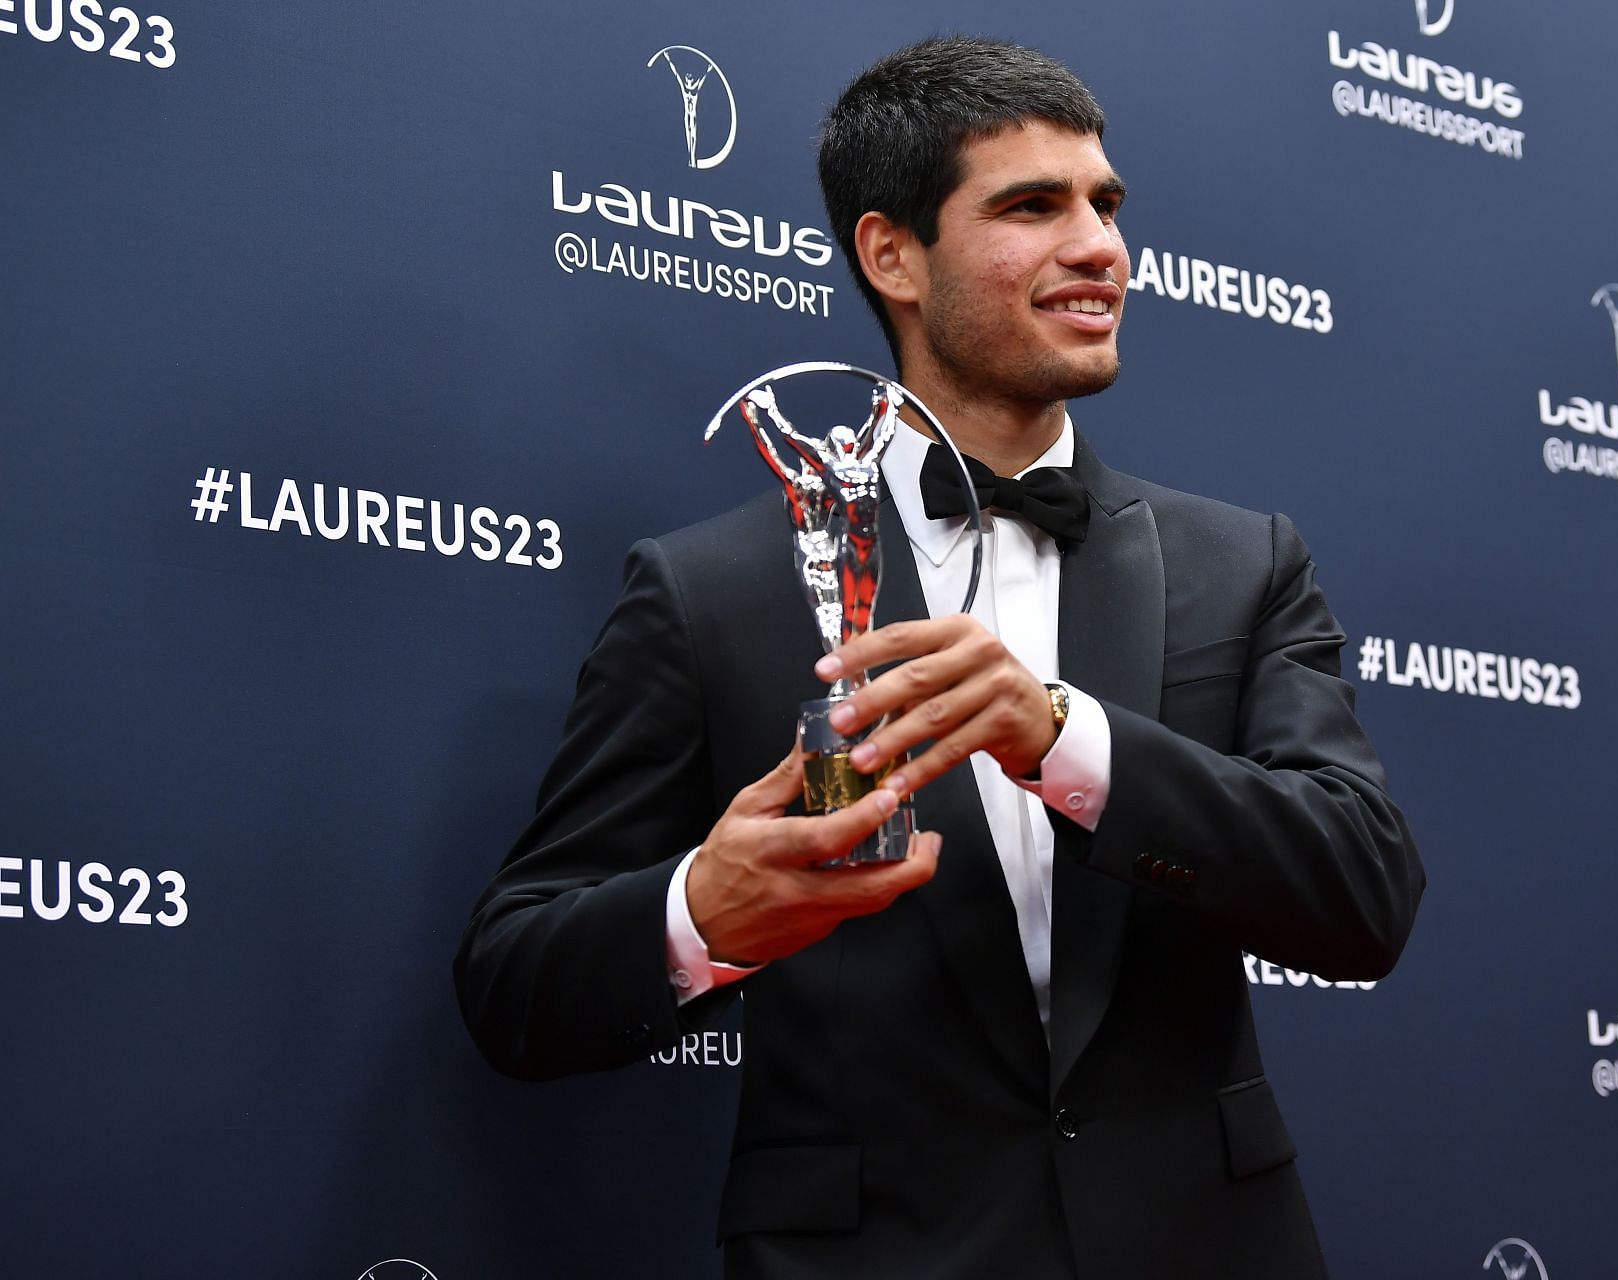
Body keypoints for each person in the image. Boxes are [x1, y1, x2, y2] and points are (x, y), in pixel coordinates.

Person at [455, 35, 1423, 1280]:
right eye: (1032, 205)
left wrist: (1063, 737)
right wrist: (704, 913)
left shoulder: (1245, 562)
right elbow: (515, 984)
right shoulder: (712, 590)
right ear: (891, 254)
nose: (1099, 248)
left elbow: (1365, 895)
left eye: (1105, 204)